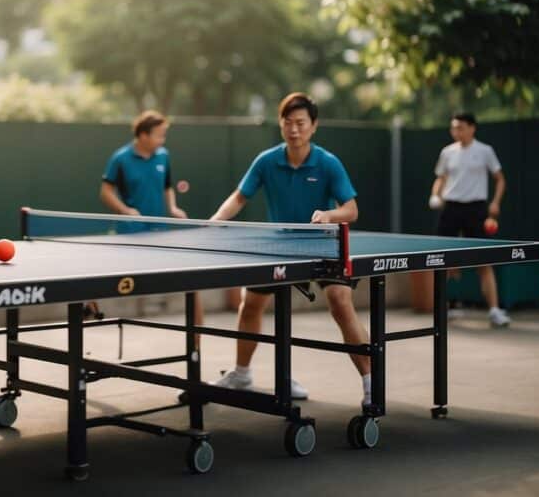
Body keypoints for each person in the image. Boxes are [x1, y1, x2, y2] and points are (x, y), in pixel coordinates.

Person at [208, 93, 372, 406]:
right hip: (279, 246)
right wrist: (215, 221)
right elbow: (240, 197)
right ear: (281, 125)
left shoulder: (327, 162)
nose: (294, 129)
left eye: (300, 123)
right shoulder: (267, 160)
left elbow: (351, 209)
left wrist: (329, 216)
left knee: (340, 301)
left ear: (313, 126)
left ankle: (369, 382)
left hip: (324, 245)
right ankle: (242, 373)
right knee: (251, 303)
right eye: (288, 123)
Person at [95, 111, 189, 319]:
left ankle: (153, 317)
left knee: (155, 277)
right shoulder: (120, 158)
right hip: (130, 230)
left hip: (158, 228)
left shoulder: (163, 155)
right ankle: (124, 316)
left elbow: (167, 186)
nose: (162, 140)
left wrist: (172, 207)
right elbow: (105, 192)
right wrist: (125, 210)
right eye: (159, 135)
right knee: (129, 279)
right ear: (143, 135)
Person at [429, 112, 510, 327]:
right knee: (442, 260)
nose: (456, 131)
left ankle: (494, 310)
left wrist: (495, 203)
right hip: (451, 208)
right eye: (453, 128)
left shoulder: (485, 151)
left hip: (476, 209)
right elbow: (441, 179)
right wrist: (435, 195)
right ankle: (443, 308)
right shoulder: (447, 152)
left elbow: (500, 179)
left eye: (460, 127)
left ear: (472, 128)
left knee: (484, 261)